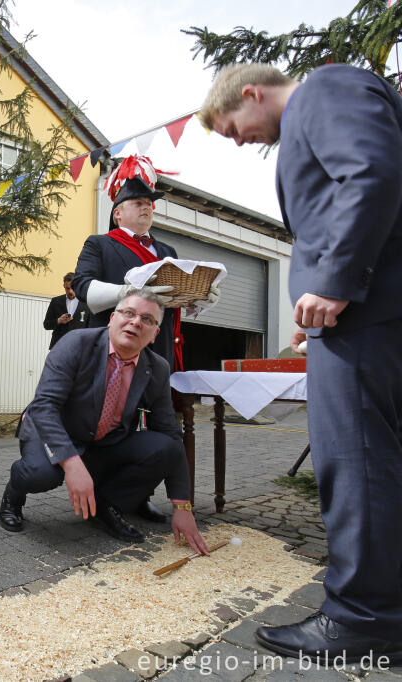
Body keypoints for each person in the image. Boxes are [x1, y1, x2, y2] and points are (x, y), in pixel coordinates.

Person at [202, 62, 402, 662]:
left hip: (364, 315)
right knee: (381, 460)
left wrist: (337, 281)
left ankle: (364, 618)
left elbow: (371, 172)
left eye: (232, 126)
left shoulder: (325, 90)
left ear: (252, 93)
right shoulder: (321, 109)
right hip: (367, 309)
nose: (239, 141)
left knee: (356, 462)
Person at [0, 290, 207, 552]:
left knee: (165, 448)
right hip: (53, 430)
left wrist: (182, 506)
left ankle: (105, 505)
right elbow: (44, 407)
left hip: (105, 438)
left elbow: (170, 434)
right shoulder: (76, 342)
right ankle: (13, 493)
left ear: (155, 334)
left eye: (147, 319)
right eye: (129, 313)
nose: (135, 322)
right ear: (112, 318)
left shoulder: (158, 367)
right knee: (42, 474)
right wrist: (72, 464)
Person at [71, 155, 184, 370]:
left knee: (155, 403)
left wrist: (198, 300)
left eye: (149, 204)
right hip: (115, 347)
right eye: (138, 203)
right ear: (117, 214)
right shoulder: (99, 244)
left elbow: (175, 295)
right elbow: (82, 286)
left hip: (160, 348)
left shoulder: (168, 252)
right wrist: (125, 292)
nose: (147, 208)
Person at [43, 272, 89, 349]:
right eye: (67, 288)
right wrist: (58, 321)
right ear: (64, 286)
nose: (70, 291)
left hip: (78, 348)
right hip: (58, 347)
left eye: (72, 288)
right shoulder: (56, 301)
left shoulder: (86, 303)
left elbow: (90, 328)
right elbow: (46, 325)